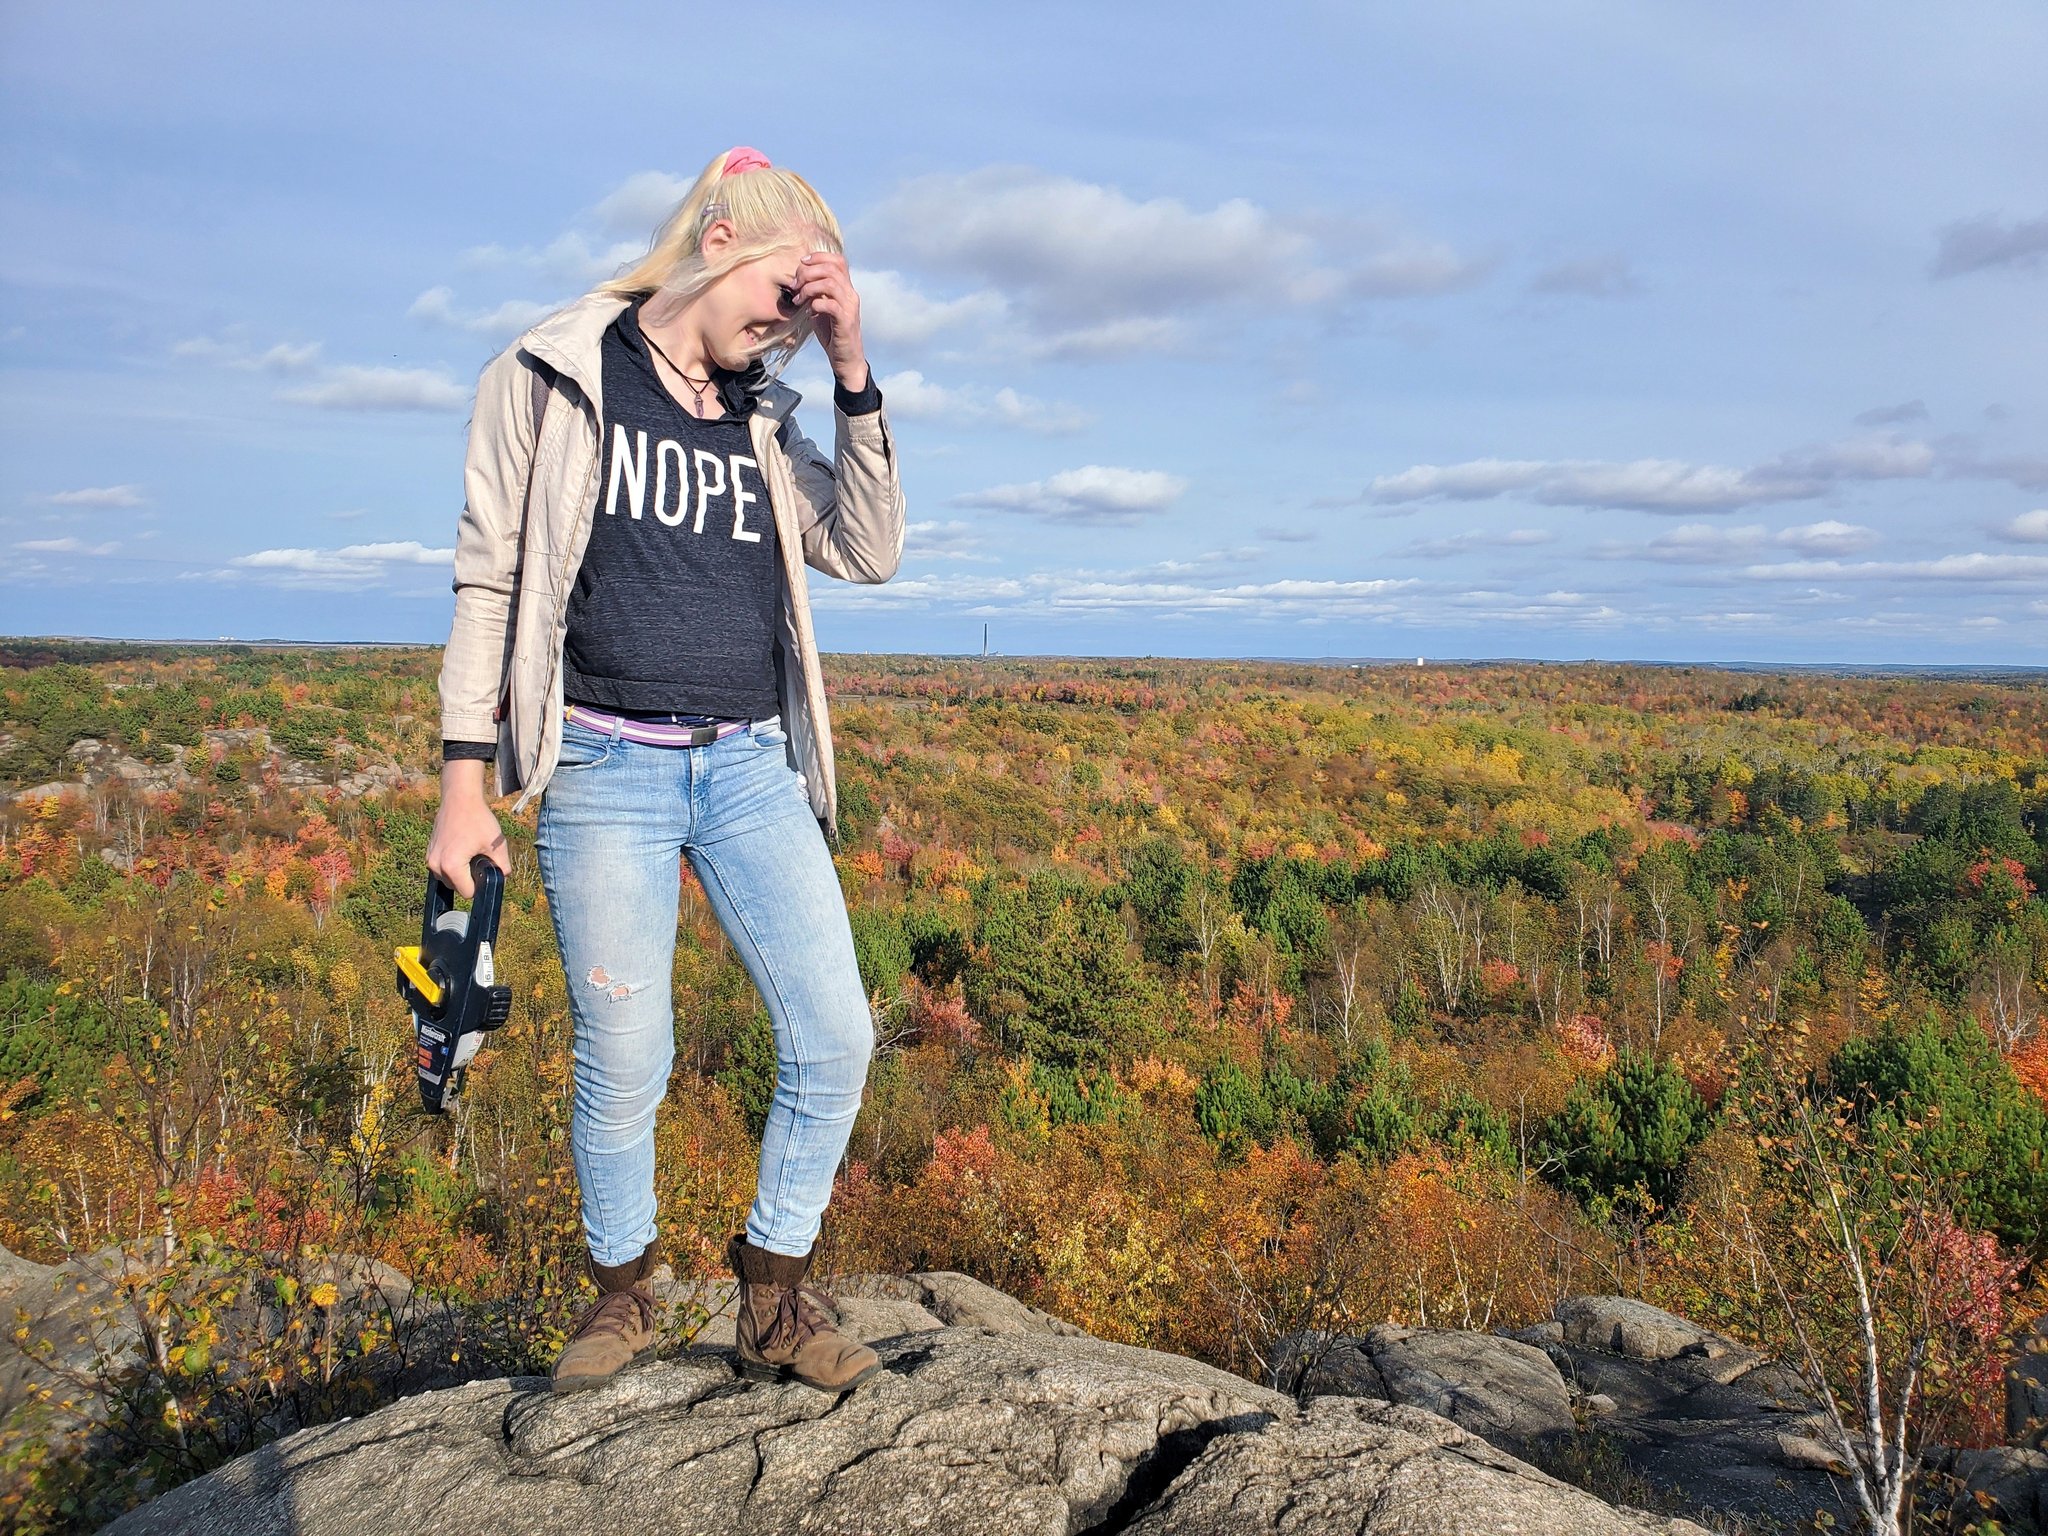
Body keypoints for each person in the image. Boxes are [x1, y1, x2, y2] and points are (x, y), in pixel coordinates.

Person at [426, 146, 904, 1397]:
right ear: (718, 236)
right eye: (780, 301)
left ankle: (773, 1302)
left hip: (750, 766)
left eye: (807, 320)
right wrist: (462, 786)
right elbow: (487, 582)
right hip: (601, 765)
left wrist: (852, 373)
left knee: (834, 1035)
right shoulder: (551, 374)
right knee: (626, 1051)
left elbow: (868, 548)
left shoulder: (764, 415)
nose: (783, 333)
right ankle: (620, 1296)